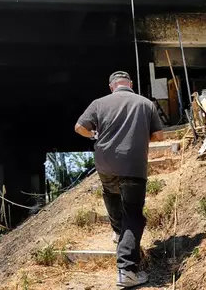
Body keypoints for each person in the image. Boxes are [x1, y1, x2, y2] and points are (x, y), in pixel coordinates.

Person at [74, 71, 164, 288]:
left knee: (111, 193)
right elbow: (159, 136)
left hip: (105, 164)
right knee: (133, 215)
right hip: (133, 166)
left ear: (111, 86)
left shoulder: (99, 103)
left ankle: (117, 231)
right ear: (130, 84)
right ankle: (127, 270)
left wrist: (94, 135)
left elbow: (79, 128)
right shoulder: (145, 103)